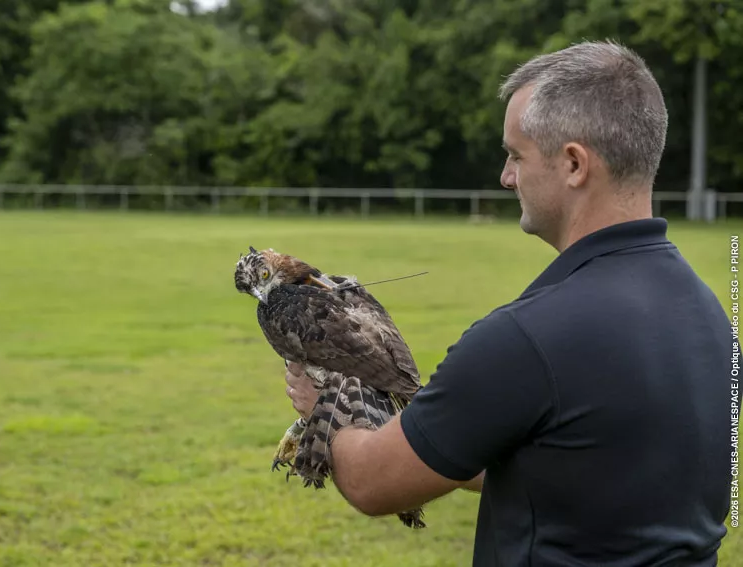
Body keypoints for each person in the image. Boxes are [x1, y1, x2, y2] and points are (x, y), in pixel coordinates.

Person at [284, 40, 732, 566]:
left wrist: (323, 405)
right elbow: (569, 464)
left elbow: (373, 482)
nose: (506, 176)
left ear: (574, 164)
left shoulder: (526, 338)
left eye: (517, 155)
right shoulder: (710, 318)